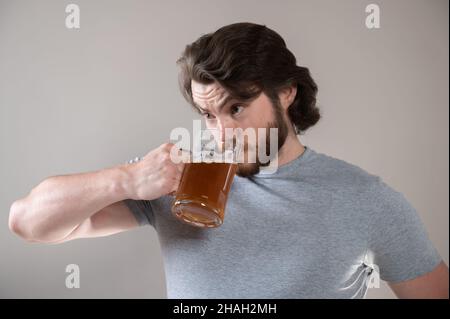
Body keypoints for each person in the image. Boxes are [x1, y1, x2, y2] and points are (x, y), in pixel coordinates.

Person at [8, 22, 448, 299]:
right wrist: (125, 179)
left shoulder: (366, 200)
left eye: (236, 108)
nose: (222, 133)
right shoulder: (177, 180)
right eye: (207, 115)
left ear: (286, 93)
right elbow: (28, 223)